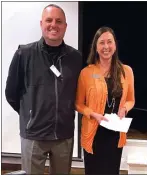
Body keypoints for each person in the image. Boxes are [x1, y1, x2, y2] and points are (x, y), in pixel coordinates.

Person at [5, 4, 82, 174]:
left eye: (59, 21)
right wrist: (31, 115)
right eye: (49, 20)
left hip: (64, 134)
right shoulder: (23, 54)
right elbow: (11, 93)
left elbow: (78, 93)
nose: (53, 24)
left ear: (65, 26)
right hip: (33, 135)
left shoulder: (75, 58)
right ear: (42, 23)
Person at [75, 26, 135, 174]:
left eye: (110, 42)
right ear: (96, 46)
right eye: (102, 42)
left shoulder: (126, 71)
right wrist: (92, 114)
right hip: (93, 133)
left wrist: (124, 108)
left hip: (115, 134)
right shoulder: (86, 73)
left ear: (115, 45)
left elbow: (131, 100)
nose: (106, 46)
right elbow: (78, 103)